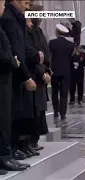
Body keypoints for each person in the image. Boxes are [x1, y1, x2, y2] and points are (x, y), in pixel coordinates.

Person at [1, 0, 38, 163]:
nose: (28, 5)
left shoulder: (16, 18)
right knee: (10, 115)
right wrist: (25, 75)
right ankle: (9, 151)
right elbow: (13, 49)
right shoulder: (9, 19)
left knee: (15, 113)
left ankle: (12, 150)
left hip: (16, 71)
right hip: (13, 73)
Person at [0, 0, 27, 173]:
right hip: (2, 77)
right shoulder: (8, 21)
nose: (3, 8)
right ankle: (4, 156)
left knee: (5, 119)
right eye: (1, 4)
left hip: (5, 78)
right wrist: (13, 61)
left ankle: (5, 156)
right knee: (3, 120)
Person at [25, 9, 51, 152]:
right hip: (34, 75)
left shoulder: (39, 31)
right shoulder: (27, 31)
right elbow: (33, 55)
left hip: (42, 76)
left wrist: (47, 70)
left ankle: (34, 140)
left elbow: (45, 53)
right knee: (33, 110)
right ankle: (28, 142)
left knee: (40, 110)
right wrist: (42, 73)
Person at [49, 24, 75, 120]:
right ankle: (63, 113)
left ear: (57, 32)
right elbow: (71, 58)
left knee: (55, 92)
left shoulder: (52, 43)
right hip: (66, 71)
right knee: (64, 93)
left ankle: (56, 111)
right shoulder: (70, 45)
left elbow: (49, 56)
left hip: (55, 71)